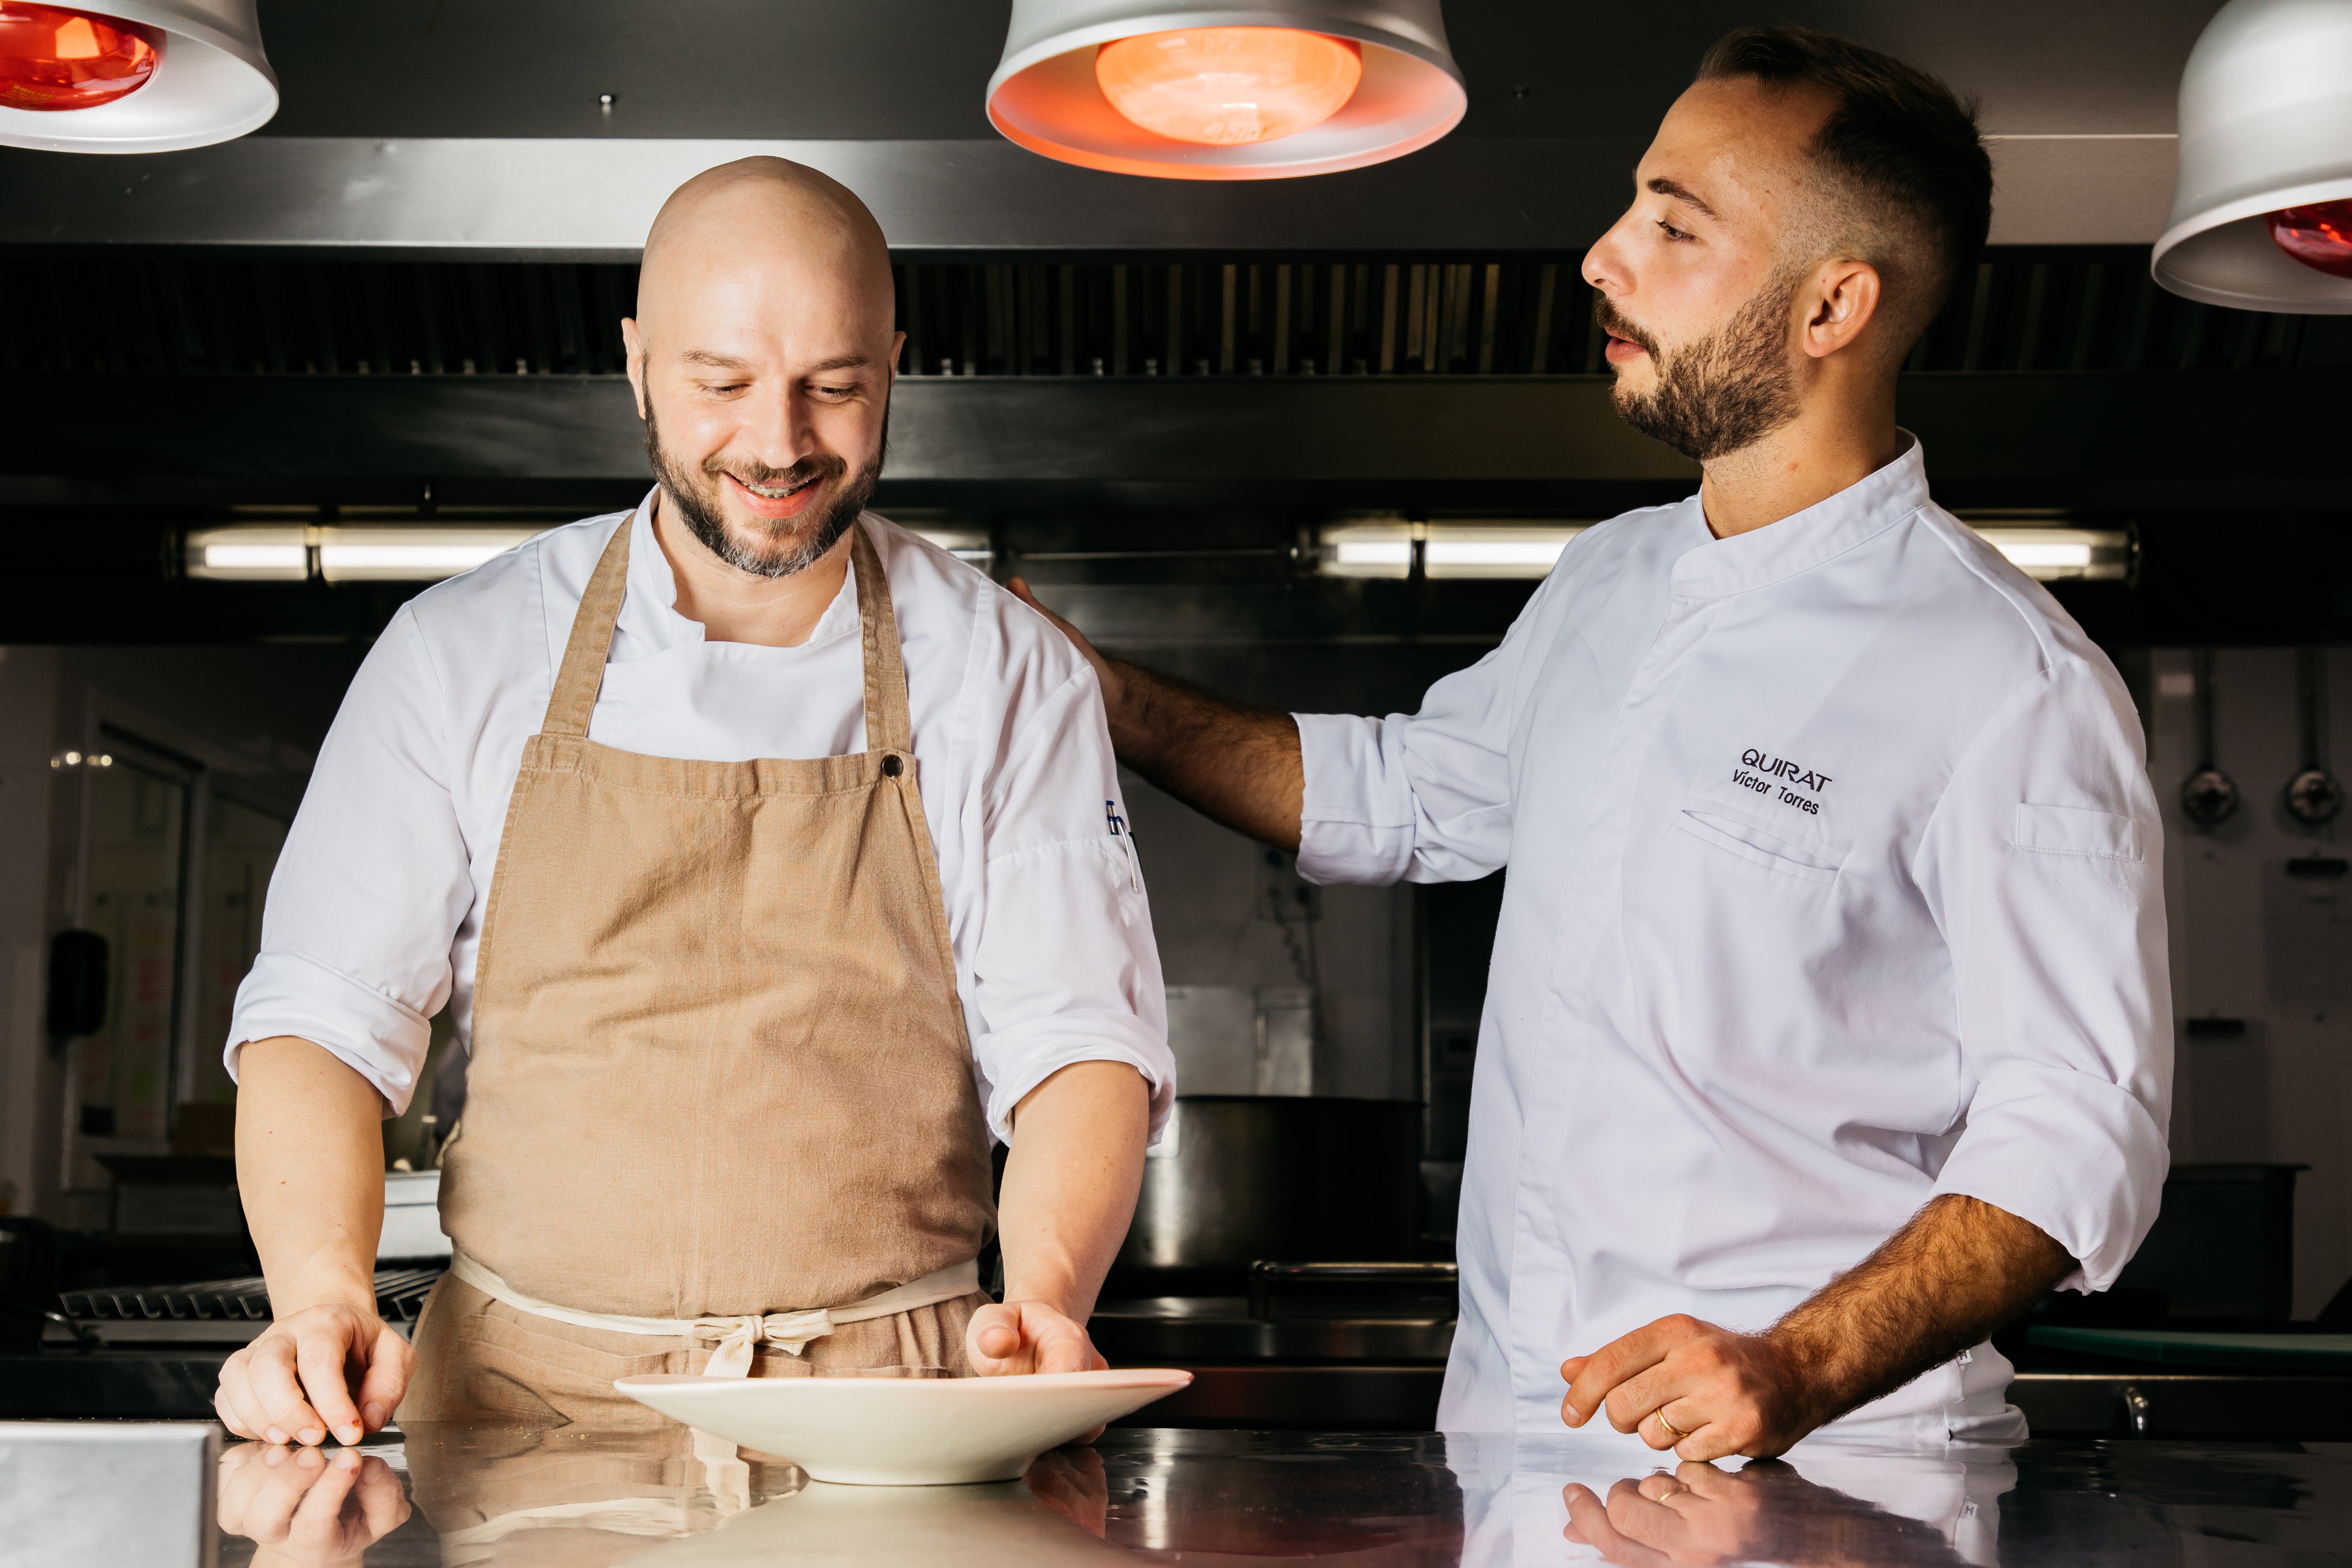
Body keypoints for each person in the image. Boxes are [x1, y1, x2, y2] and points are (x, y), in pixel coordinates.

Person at [1015, 25, 2168, 1458]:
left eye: (1673, 222)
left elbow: (2077, 1127)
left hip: (1823, 1480)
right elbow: (1399, 794)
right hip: (1515, 1448)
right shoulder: (1610, 583)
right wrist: (1078, 688)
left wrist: (1795, 1365)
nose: (1600, 258)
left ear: (1834, 307)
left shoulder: (2012, 680)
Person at [213, 158, 1171, 1449]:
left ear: (896, 359)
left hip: (889, 1425)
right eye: (720, 384)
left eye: (835, 385)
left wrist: (1048, 1294)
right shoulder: (463, 651)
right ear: (635, 362)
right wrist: (318, 1292)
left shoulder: (1006, 672)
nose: (778, 443)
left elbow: (1078, 1045)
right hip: (521, 1418)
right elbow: (321, 1023)